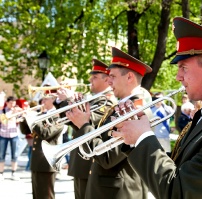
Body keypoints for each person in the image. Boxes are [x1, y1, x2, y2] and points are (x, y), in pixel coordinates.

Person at [112, 17, 202, 199]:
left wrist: (143, 137)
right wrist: (133, 138)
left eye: (183, 67)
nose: (178, 77)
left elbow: (178, 192)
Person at [66, 47, 152, 199]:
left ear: (130, 77)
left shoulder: (136, 110)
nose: (109, 80)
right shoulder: (122, 106)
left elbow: (108, 158)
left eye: (112, 76)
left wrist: (84, 126)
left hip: (118, 192)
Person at [55, 58, 116, 199]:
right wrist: (64, 101)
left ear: (107, 80)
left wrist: (69, 100)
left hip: (89, 162)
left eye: (94, 77)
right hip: (82, 162)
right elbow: (73, 121)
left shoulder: (108, 101)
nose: (90, 80)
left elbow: (89, 122)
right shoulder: (95, 99)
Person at [19, 89, 64, 199]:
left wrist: (33, 119)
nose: (42, 100)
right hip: (37, 162)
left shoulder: (57, 117)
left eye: (45, 98)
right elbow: (25, 131)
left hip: (47, 163)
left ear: (53, 100)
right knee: (37, 195)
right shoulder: (40, 115)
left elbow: (46, 134)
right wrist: (24, 119)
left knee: (46, 195)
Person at [0, 96, 23, 181]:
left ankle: (14, 172)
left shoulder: (17, 111)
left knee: (15, 155)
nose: (12, 105)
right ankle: (1, 173)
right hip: (3, 134)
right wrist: (12, 113)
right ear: (7, 103)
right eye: (11, 103)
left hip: (14, 134)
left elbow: (20, 120)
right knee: (1, 155)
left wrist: (20, 113)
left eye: (14, 103)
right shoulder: (2, 111)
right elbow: (3, 120)